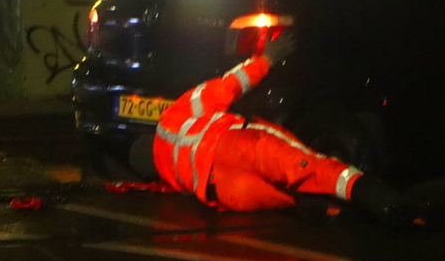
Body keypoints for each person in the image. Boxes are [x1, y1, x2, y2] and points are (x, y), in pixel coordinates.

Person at [145, 30, 417, 225]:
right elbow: (229, 86)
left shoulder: (168, 172)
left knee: (292, 195)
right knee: (312, 167)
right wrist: (267, 59)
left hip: (229, 191)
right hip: (236, 146)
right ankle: (387, 202)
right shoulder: (173, 116)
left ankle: (336, 210)